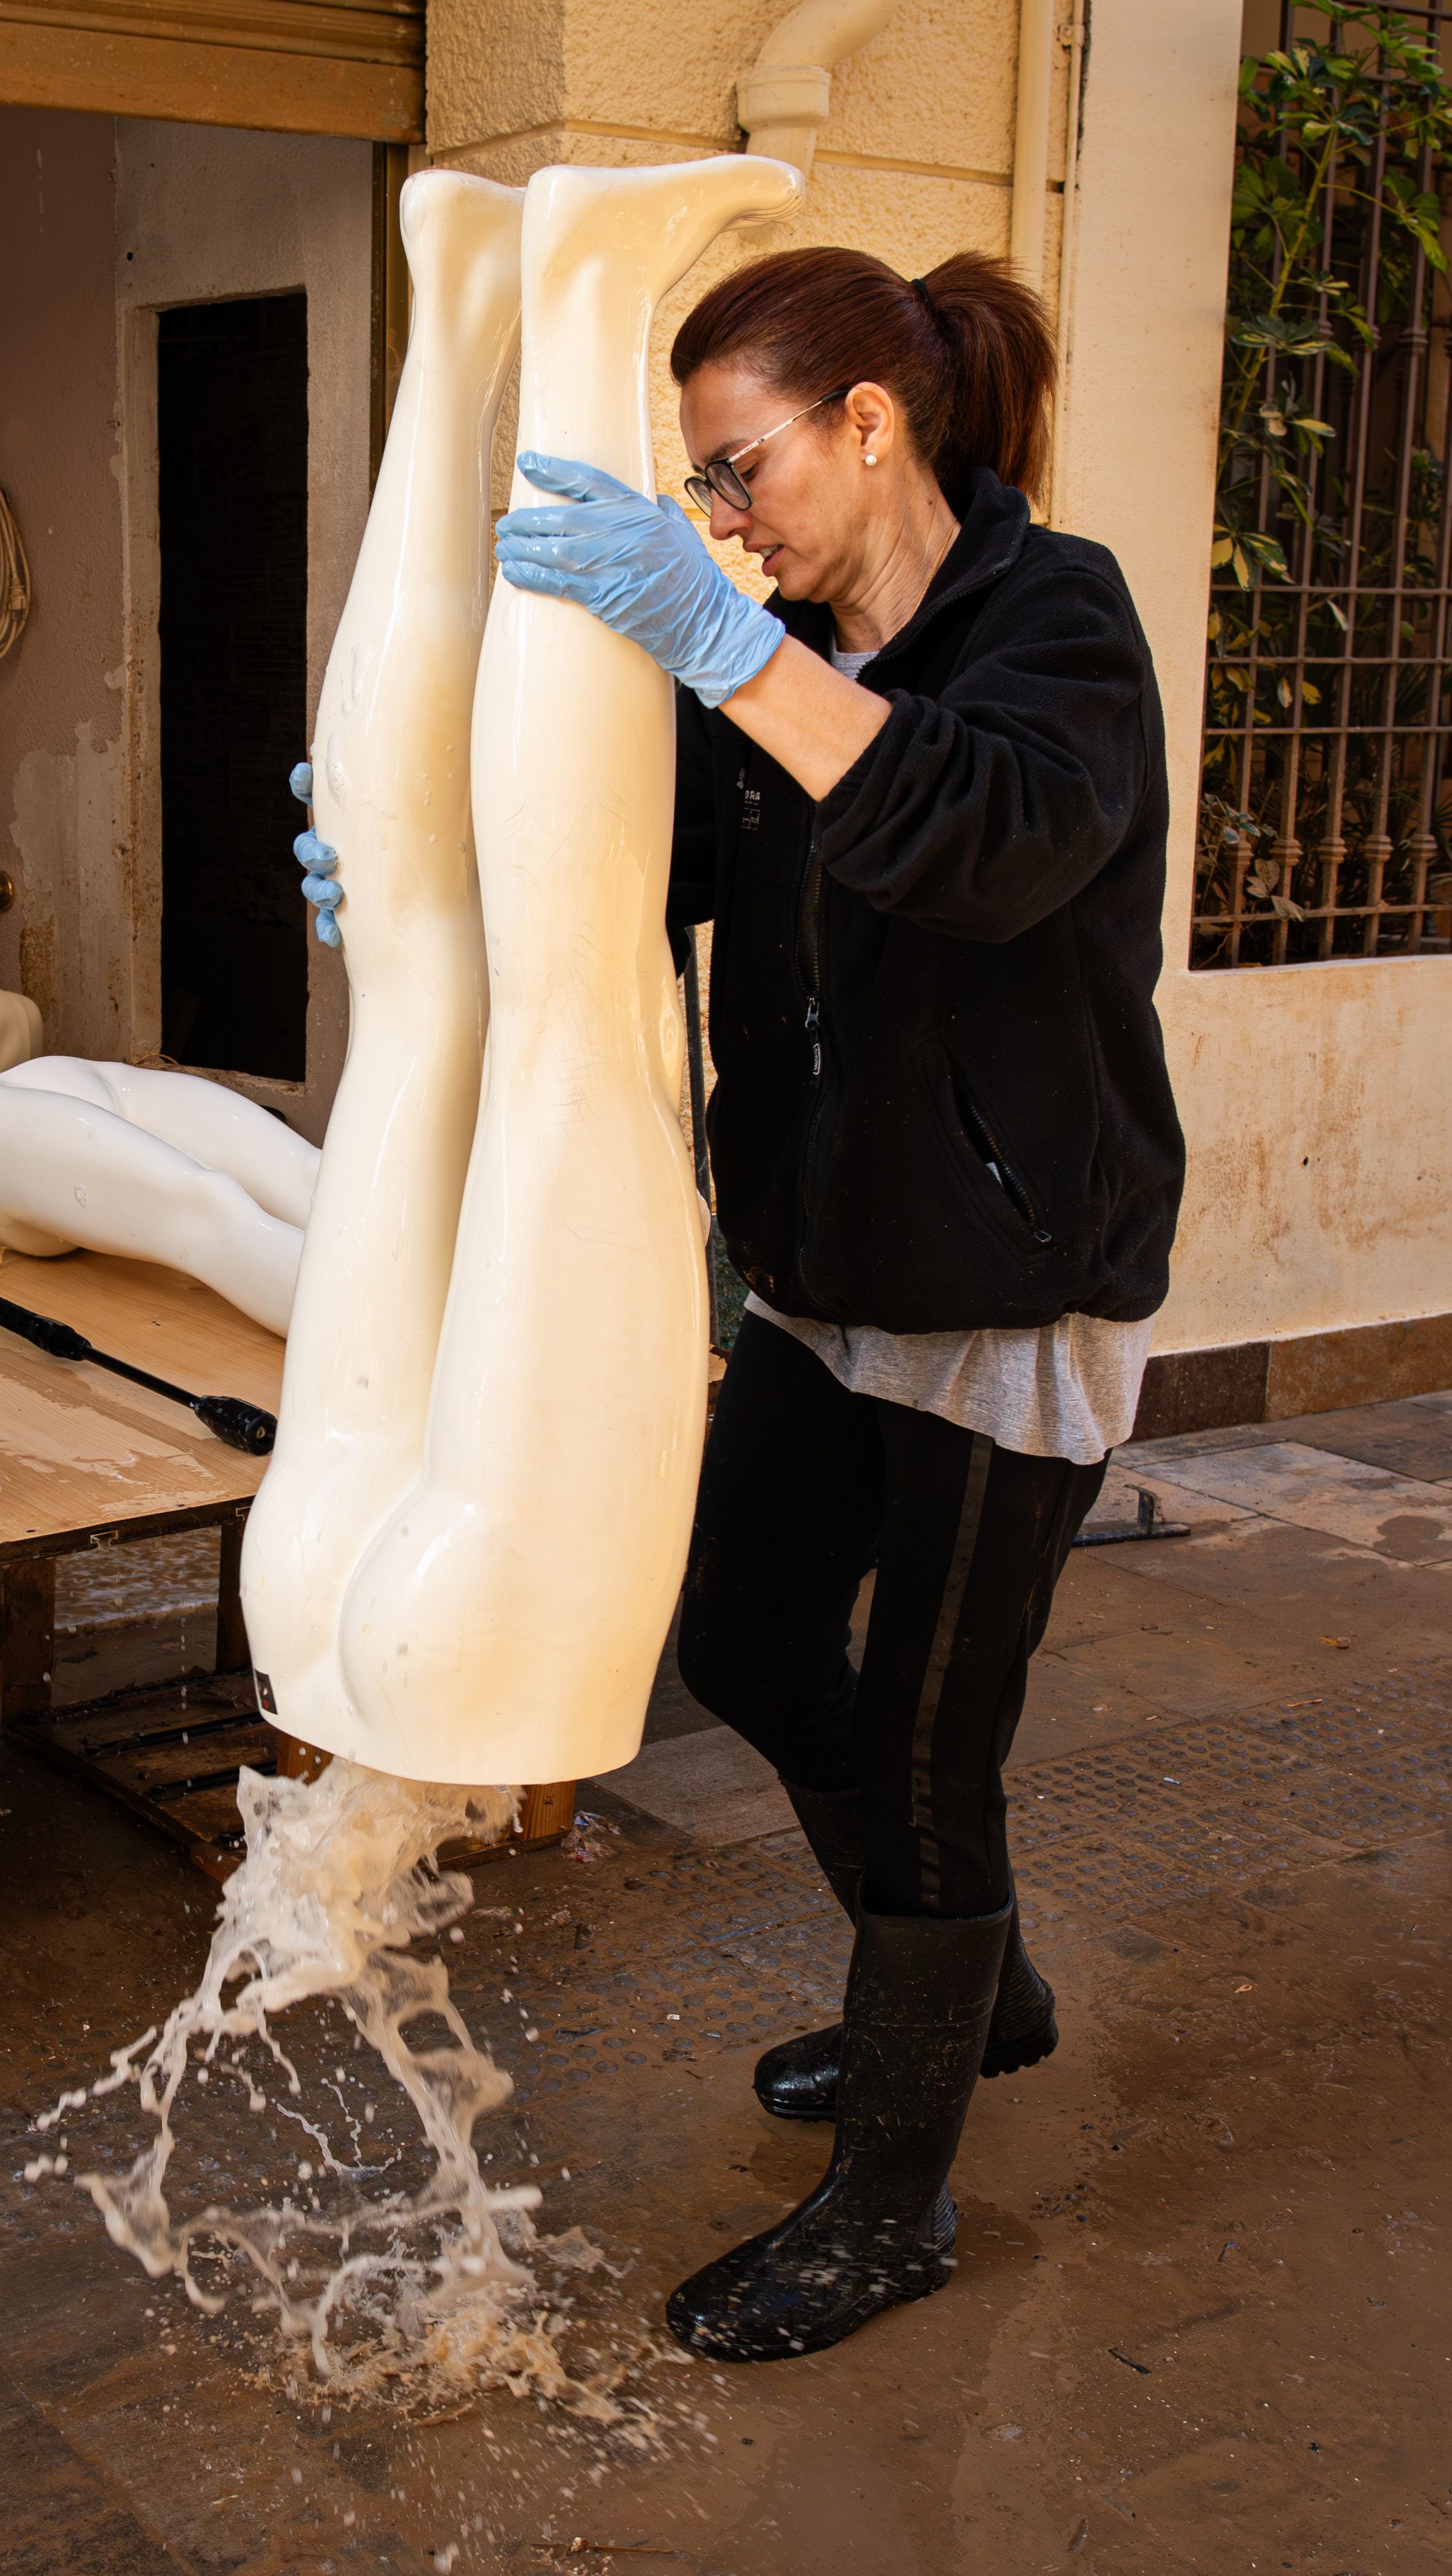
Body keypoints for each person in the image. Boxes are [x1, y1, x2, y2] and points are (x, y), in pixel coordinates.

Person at [299, 248, 1179, 2359]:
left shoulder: (1056, 626)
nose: (726, 516)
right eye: (701, 487)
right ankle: (971, 1981)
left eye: (739, 466)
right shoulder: (767, 650)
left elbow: (975, 839)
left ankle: (893, 2197)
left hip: (1008, 1292)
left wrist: (711, 639)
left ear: (874, 424)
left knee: (937, 1751)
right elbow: (633, 876)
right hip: (825, 1266)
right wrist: (405, 856)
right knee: (754, 1632)